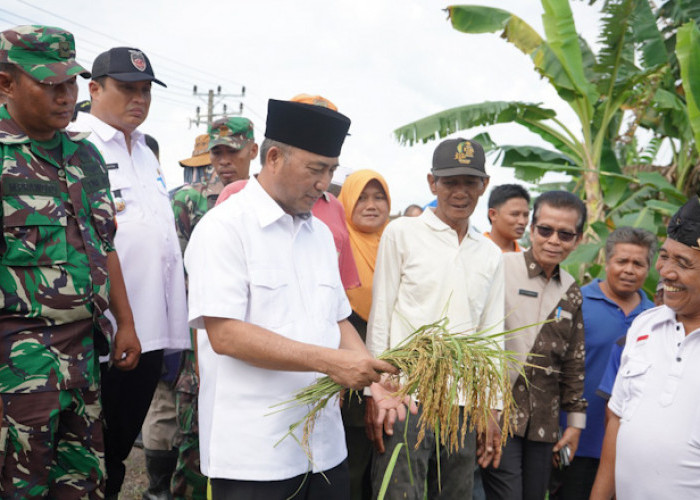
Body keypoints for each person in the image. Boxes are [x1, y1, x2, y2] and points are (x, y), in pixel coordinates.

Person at [184, 98, 405, 499]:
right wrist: (332, 362)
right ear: (273, 157)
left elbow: (337, 321)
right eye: (315, 169)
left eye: (332, 170)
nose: (324, 183)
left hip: (324, 450)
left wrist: (375, 381)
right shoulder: (224, 229)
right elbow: (226, 335)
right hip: (255, 455)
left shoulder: (320, 236)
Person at [0, 25, 140, 498]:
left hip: (83, 357)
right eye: (50, 85)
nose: (66, 96)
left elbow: (105, 246)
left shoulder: (86, 157)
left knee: (82, 486)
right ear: (6, 84)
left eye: (71, 83)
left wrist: (126, 321)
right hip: (15, 367)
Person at [69, 46, 190, 499]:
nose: (138, 99)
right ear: (94, 88)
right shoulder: (77, 143)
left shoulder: (145, 152)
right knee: (84, 453)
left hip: (151, 332)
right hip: (103, 333)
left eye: (145, 91)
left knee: (116, 452)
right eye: (127, 89)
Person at [366, 137, 505, 500]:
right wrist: (375, 389)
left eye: (469, 183)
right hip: (405, 396)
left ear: (484, 186)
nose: (460, 193)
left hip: (462, 404)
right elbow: (381, 314)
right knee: (398, 493)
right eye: (450, 182)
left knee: (455, 495)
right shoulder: (402, 233)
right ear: (432, 184)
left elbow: (491, 333)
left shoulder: (490, 254)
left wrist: (492, 405)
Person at [170, 116, 258, 500]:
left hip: (252, 333)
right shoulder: (188, 201)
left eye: (231, 151)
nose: (222, 160)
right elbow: (173, 270)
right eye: (216, 152)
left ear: (253, 151)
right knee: (192, 436)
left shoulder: (264, 200)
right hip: (199, 337)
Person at [590, 196, 700, 499]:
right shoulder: (645, 325)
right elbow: (617, 418)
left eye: (683, 263)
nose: (665, 272)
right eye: (665, 257)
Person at [480, 190, 587, 500]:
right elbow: (478, 342)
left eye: (565, 234)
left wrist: (575, 424)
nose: (554, 240)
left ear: (577, 240)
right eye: (545, 230)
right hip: (498, 416)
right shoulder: (501, 268)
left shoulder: (570, 289)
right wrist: (484, 410)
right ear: (531, 228)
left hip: (544, 423)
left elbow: (573, 362)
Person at [550, 227, 656, 500]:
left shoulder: (655, 317)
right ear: (606, 261)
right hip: (574, 440)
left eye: (638, 264)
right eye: (622, 261)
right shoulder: (577, 302)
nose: (629, 270)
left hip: (629, 448)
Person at [337, 169, 392, 500]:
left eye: (379, 196)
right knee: (352, 459)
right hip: (348, 364)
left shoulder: (397, 244)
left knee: (385, 460)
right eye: (362, 197)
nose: (371, 205)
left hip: (393, 370)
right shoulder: (337, 243)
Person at [484, 184, 530, 252]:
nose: (522, 221)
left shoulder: (526, 257)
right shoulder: (472, 252)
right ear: (493, 214)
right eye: (515, 214)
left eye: (526, 215)